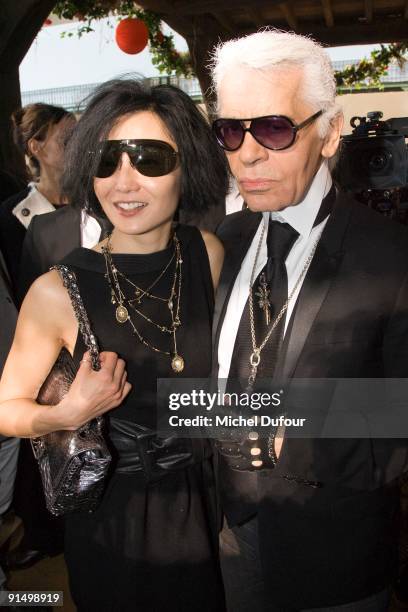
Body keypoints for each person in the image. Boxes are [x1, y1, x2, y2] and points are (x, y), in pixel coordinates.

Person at [0, 78, 229, 611]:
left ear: (186, 166)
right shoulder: (58, 290)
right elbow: (6, 408)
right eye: (107, 160)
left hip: (207, 503)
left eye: (149, 159)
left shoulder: (207, 254)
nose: (124, 182)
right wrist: (66, 413)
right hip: (116, 521)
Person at [210, 30, 408, 611]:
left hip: (336, 559)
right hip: (229, 540)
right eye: (229, 130)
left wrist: (296, 429)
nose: (247, 153)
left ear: (331, 130)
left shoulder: (392, 256)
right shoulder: (225, 239)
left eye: (273, 128)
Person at [0, 103, 76, 293]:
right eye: (66, 139)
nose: (77, 146)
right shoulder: (13, 215)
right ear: (36, 147)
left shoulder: (97, 201)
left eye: (80, 137)